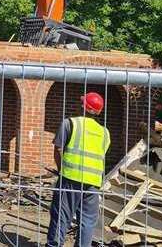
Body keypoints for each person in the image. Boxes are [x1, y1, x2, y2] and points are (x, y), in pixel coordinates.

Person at [46, 92, 110, 247]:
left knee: (61, 215)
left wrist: (62, 169)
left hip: (70, 179)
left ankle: (54, 245)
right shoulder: (105, 133)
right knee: (87, 222)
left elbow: (58, 149)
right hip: (93, 183)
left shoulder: (70, 124)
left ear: (83, 106)